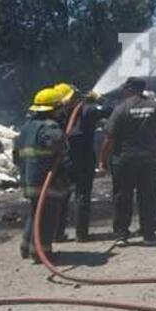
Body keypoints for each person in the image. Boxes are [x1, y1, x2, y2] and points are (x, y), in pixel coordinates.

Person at [99, 77, 156, 246]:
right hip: (151, 159)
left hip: (124, 160)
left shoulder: (121, 109)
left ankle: (121, 235)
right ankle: (148, 234)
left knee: (122, 197)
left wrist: (102, 160)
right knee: (148, 196)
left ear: (129, 90)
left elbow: (109, 138)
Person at [13, 87, 72, 263]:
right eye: (60, 108)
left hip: (29, 180)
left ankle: (27, 247)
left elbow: (16, 156)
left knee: (35, 213)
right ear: (54, 109)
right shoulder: (50, 126)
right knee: (46, 217)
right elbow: (58, 143)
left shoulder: (26, 128)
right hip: (47, 181)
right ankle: (42, 253)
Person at [53, 83, 111, 242]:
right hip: (84, 158)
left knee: (61, 196)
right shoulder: (88, 109)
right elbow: (109, 110)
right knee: (82, 195)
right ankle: (81, 234)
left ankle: (57, 234)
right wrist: (100, 99)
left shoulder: (56, 113)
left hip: (62, 159)